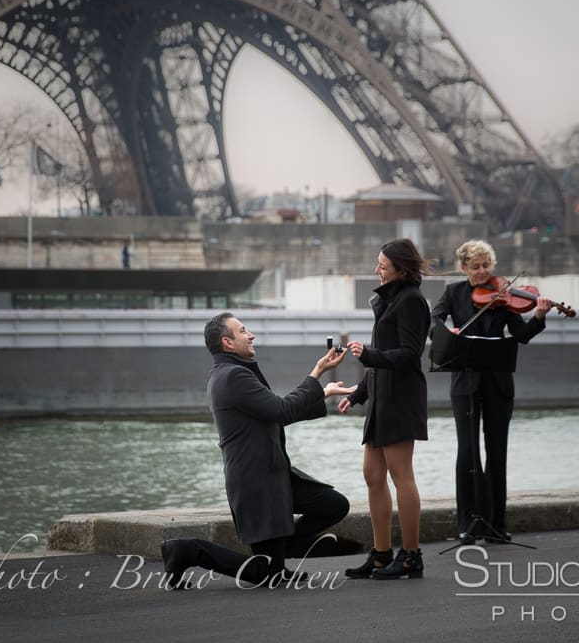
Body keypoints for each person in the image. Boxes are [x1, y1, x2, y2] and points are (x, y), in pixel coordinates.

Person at [160, 312, 356, 589]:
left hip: (274, 475)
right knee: (265, 575)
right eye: (243, 331)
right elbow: (281, 410)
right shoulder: (232, 376)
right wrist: (317, 373)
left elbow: (274, 413)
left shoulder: (233, 372)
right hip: (255, 482)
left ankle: (277, 559)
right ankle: (187, 550)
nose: (250, 334)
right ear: (228, 343)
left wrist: (321, 393)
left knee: (333, 504)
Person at [431, 240, 554, 543]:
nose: (483, 271)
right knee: (468, 452)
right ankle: (468, 523)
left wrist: (538, 317)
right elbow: (433, 321)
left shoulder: (503, 295)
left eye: (487, 265)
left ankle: (496, 524)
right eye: (476, 267)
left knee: (497, 453)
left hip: (498, 382)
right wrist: (450, 333)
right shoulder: (453, 293)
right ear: (464, 268)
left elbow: (521, 335)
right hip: (465, 383)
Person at [337, 239, 431, 579]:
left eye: (382, 266)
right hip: (381, 396)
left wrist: (368, 355)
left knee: (400, 475)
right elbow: (381, 355)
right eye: (377, 264)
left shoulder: (412, 301)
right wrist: (360, 393)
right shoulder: (392, 299)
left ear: (401, 270)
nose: (377, 270)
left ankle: (411, 556)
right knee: (372, 475)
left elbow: (409, 354)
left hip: (401, 398)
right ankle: (379, 554)